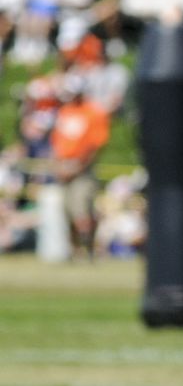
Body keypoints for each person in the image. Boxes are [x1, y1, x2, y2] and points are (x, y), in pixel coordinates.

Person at [49, 75, 111, 261]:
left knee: (82, 210)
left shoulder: (94, 112)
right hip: (64, 167)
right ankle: (75, 252)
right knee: (67, 211)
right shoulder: (65, 111)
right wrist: (59, 166)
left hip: (82, 169)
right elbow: (58, 142)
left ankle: (89, 250)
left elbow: (95, 145)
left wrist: (78, 167)